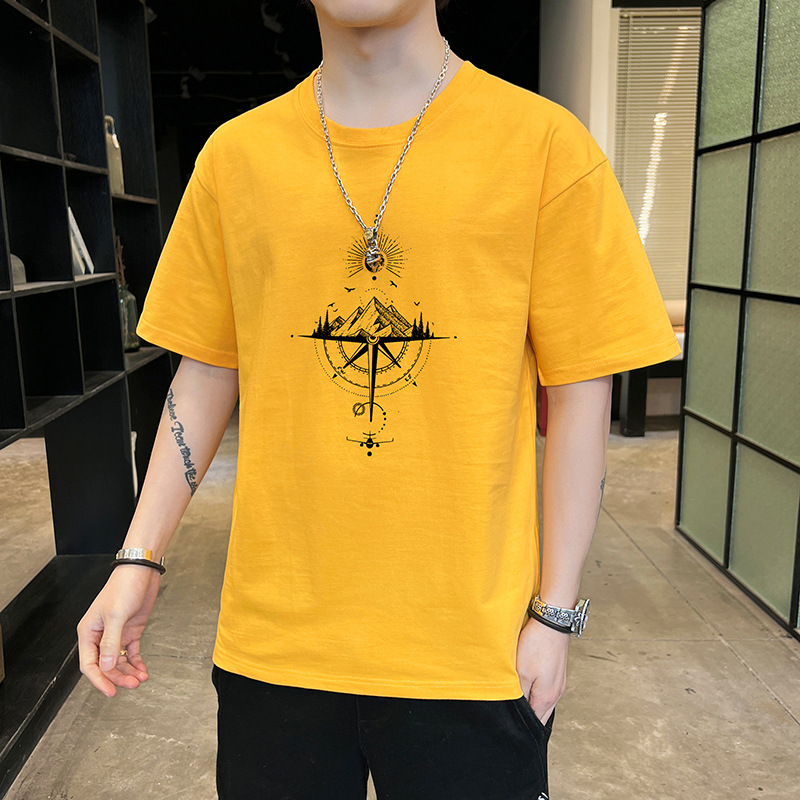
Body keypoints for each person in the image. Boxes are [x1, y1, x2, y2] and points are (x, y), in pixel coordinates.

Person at [76, 1, 682, 798]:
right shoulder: (235, 159)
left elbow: (579, 391)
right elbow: (207, 369)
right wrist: (140, 556)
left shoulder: (543, 146)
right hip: (275, 646)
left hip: (475, 651)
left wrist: (556, 615)